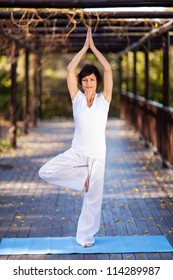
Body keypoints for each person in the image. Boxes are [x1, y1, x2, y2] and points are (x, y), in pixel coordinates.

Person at [39, 27, 113, 247]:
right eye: (85, 80)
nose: (88, 83)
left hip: (98, 156)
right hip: (77, 153)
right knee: (45, 171)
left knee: (93, 200)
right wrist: (84, 47)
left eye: (91, 80)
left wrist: (94, 48)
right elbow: (70, 69)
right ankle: (82, 179)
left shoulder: (104, 100)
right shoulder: (77, 99)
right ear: (81, 83)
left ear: (96, 82)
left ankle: (85, 238)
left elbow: (108, 69)